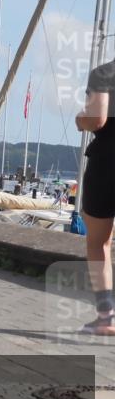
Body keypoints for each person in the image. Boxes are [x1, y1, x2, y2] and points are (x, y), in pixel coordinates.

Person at [75, 58, 115, 334]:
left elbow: (96, 119)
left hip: (108, 164)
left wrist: (80, 119)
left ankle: (106, 317)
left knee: (99, 243)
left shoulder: (104, 74)